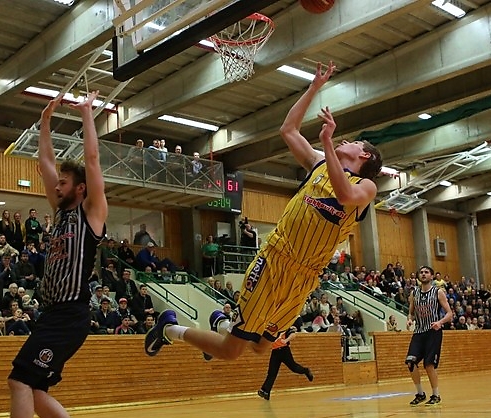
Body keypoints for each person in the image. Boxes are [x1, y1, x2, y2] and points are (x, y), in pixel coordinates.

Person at [144, 61, 382, 363]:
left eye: (355, 142)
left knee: (261, 346)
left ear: (365, 155)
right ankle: (169, 329)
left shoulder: (366, 187)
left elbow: (345, 194)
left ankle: (222, 324)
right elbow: (288, 129)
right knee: (231, 351)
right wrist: (313, 88)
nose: (346, 140)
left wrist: (327, 142)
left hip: (305, 277)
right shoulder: (319, 164)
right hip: (275, 260)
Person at [0, 91, 111, 418]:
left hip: (71, 314)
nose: (56, 186)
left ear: (80, 188)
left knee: (19, 380)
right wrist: (44, 121)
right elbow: (45, 161)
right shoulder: (60, 215)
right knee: (34, 390)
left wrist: (87, 114)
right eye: (56, 183)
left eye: (63, 183)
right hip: (52, 315)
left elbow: (91, 160)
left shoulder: (91, 215)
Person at [405, 266, 454, 407]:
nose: (423, 274)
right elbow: (411, 313)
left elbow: (449, 314)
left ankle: (436, 395)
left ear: (432, 276)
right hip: (418, 332)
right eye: (421, 272)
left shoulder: (438, 292)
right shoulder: (414, 293)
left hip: (433, 331)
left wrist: (440, 322)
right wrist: (409, 320)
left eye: (426, 272)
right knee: (410, 362)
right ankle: (420, 393)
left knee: (429, 365)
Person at [257, 324, 313, 400]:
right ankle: (265, 391)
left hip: (284, 350)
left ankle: (306, 370)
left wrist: (286, 340)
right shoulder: (271, 329)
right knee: (272, 373)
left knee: (294, 368)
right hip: (275, 352)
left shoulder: (285, 327)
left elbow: (293, 335)